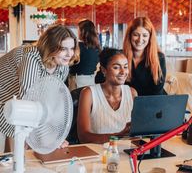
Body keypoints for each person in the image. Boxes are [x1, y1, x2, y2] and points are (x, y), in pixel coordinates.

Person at [0, 24, 79, 152]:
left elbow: (49, 103)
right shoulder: (31, 58)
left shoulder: (62, 65)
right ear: (51, 47)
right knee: (5, 161)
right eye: (63, 49)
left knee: (18, 157)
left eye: (72, 48)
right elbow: (29, 103)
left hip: (14, 105)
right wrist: (46, 139)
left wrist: (53, 138)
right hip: (5, 102)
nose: (69, 54)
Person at [77, 48, 137, 144]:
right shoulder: (88, 93)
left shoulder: (132, 93)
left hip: (124, 153)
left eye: (125, 67)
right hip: (97, 154)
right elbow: (83, 136)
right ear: (104, 70)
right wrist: (118, 136)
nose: (123, 72)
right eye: (116, 67)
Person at [123, 16, 166, 96]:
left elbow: (157, 91)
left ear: (150, 38)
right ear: (130, 36)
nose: (140, 40)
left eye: (145, 35)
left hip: (153, 102)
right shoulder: (120, 56)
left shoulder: (159, 57)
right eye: (136, 34)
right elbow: (101, 80)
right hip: (128, 103)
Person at [69, 19, 101, 90]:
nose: (77, 32)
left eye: (78, 30)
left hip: (78, 80)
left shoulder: (78, 46)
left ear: (82, 31)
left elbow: (71, 63)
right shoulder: (97, 47)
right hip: (91, 80)